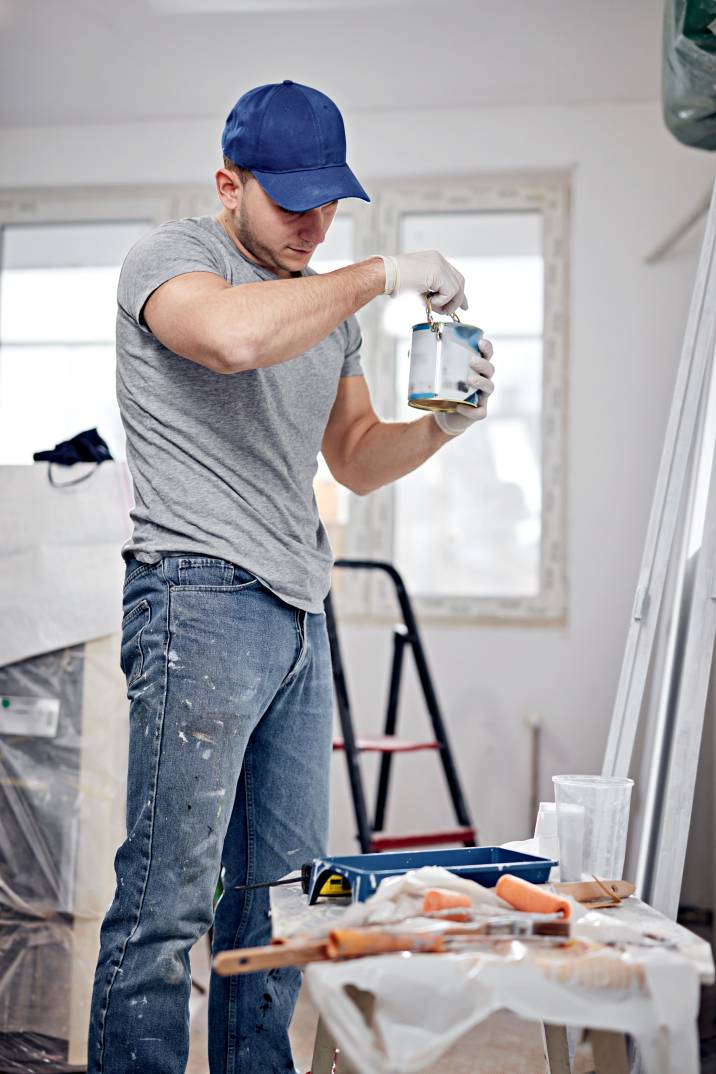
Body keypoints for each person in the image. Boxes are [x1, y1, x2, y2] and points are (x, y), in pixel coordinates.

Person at [87, 79, 494, 1074]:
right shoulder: (172, 260)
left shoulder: (327, 315)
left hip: (299, 611)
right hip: (196, 595)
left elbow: (352, 455)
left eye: (330, 202)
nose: (315, 223)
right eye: (291, 200)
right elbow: (231, 337)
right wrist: (381, 271)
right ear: (228, 184)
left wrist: (441, 426)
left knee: (281, 894)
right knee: (166, 898)